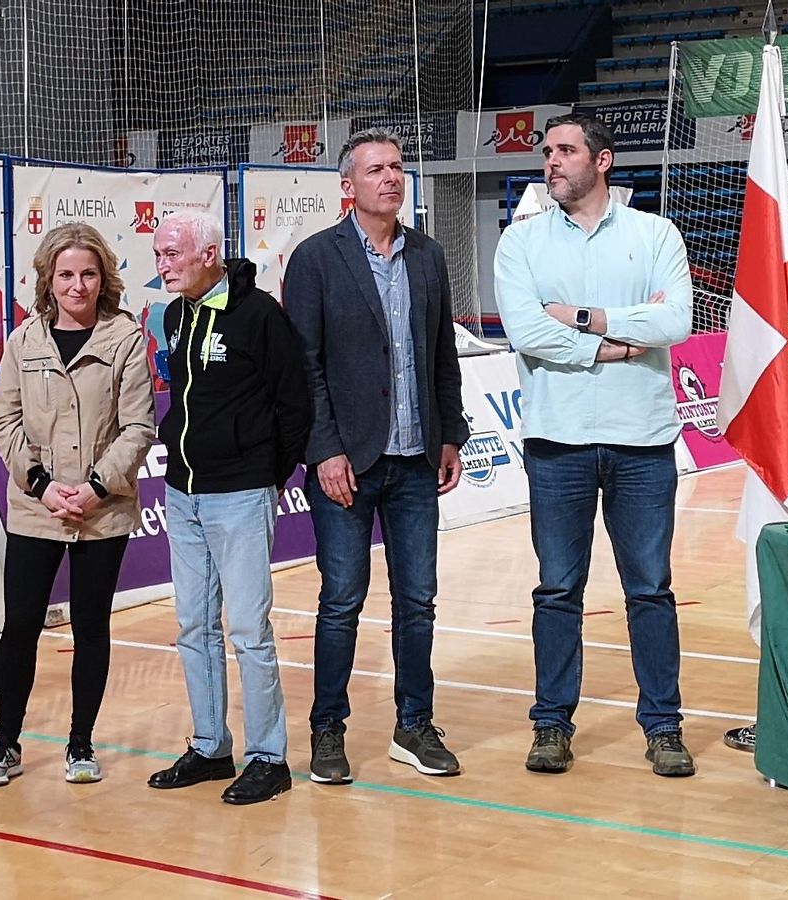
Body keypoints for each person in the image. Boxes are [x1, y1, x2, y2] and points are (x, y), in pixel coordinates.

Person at [493, 114, 696, 777]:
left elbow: (676, 321)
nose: (551, 161)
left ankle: (663, 728)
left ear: (602, 161)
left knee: (651, 590)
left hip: (642, 444)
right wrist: (615, 345)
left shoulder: (655, 234)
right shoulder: (520, 244)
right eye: (547, 151)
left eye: (566, 150)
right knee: (557, 591)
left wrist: (582, 318)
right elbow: (526, 332)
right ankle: (551, 725)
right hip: (559, 443)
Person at [285, 129, 469, 784]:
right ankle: (327, 730)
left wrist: (451, 433)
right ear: (348, 186)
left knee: (417, 600)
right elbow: (302, 368)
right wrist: (324, 450)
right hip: (348, 464)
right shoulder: (315, 259)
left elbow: (439, 354)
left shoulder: (427, 256)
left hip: (418, 459)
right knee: (342, 599)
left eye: (396, 167)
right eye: (375, 170)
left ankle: (414, 725)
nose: (391, 178)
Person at [0, 223, 155, 787]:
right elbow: (3, 421)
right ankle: (5, 745)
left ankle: (81, 744)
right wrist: (43, 485)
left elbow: (138, 426)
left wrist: (95, 489)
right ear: (48, 280)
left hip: (103, 510)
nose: (78, 286)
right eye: (67, 274)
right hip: (36, 507)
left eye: (89, 274)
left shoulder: (124, 337)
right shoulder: (24, 340)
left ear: (105, 279)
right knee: (22, 624)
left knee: (90, 625)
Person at [144, 210, 310, 805]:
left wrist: (266, 472)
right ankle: (211, 745)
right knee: (193, 624)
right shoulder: (175, 314)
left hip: (240, 494)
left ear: (209, 254)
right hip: (183, 493)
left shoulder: (260, 314)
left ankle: (270, 757)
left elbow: (294, 400)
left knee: (248, 630)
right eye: (159, 253)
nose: (162, 264)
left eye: (172, 254)